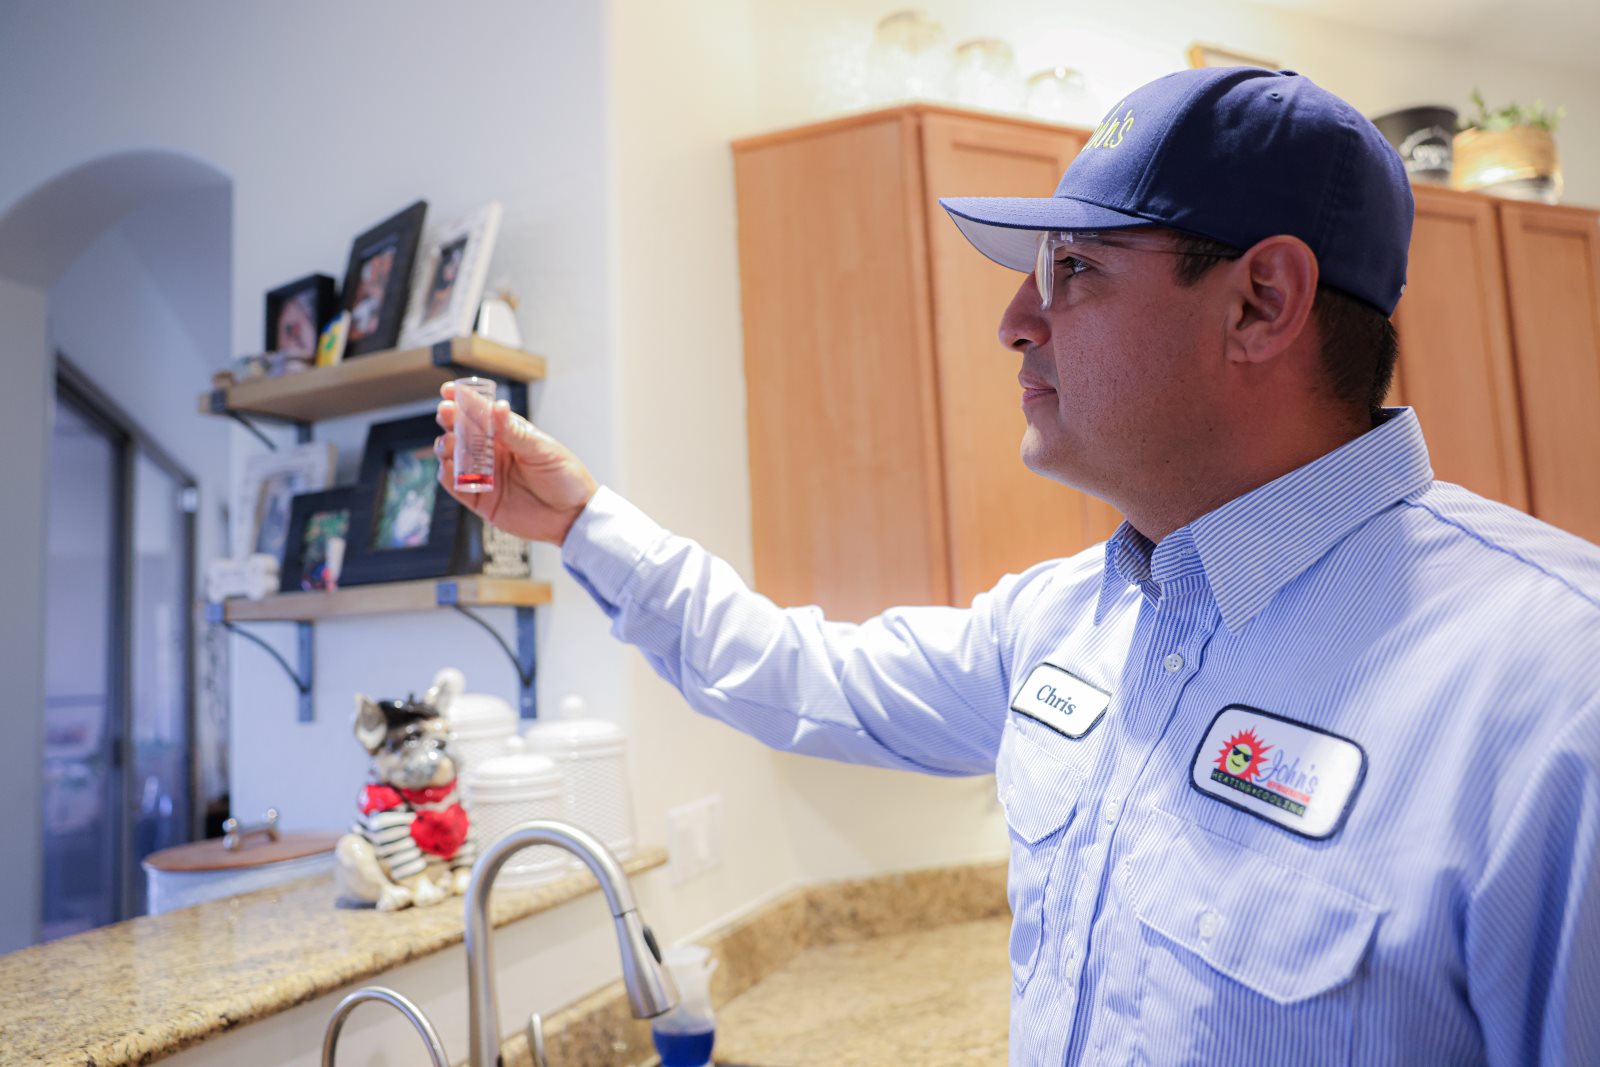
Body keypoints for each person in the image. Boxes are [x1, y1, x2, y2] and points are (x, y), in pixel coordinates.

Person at [435, 67, 1599, 1066]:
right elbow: (801, 675)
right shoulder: (1063, 621)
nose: (1014, 320)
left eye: (1075, 269)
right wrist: (583, 520)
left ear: (1261, 299)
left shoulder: (1552, 687)